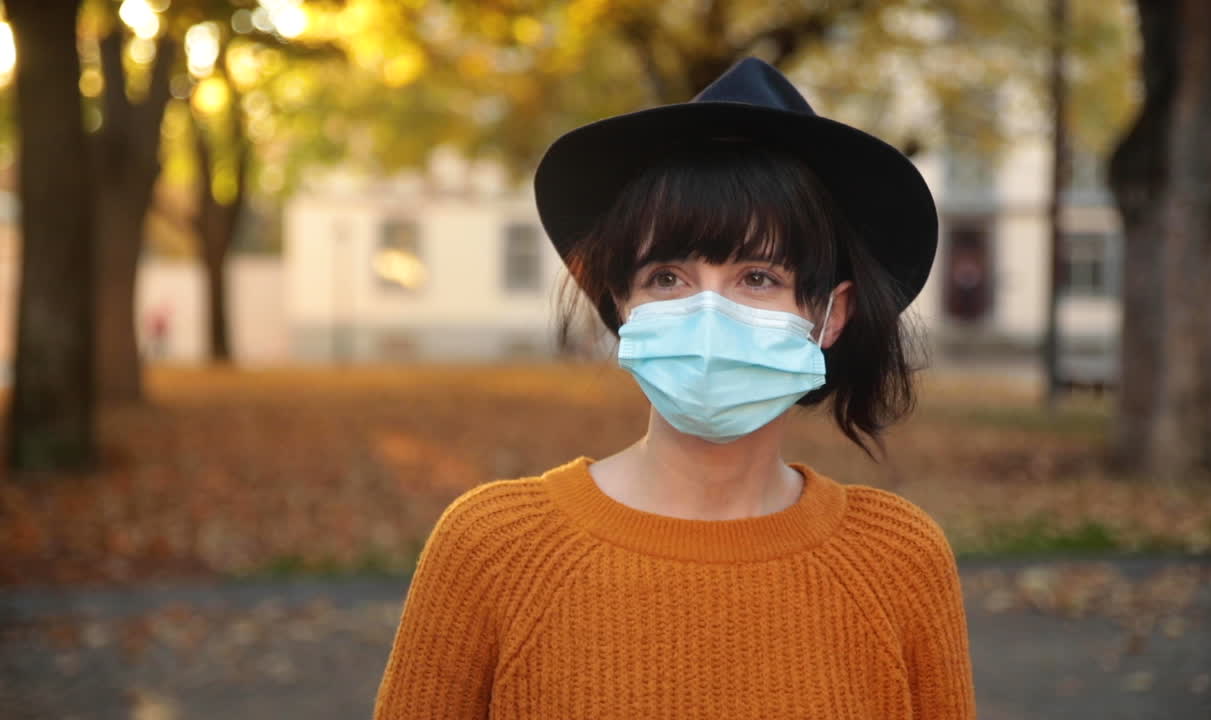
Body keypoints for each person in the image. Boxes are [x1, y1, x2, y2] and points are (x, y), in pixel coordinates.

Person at [374, 57, 976, 719]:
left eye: (758, 278)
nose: (707, 311)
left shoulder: (897, 561)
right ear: (622, 304)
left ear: (831, 315)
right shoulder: (492, 550)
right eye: (668, 277)